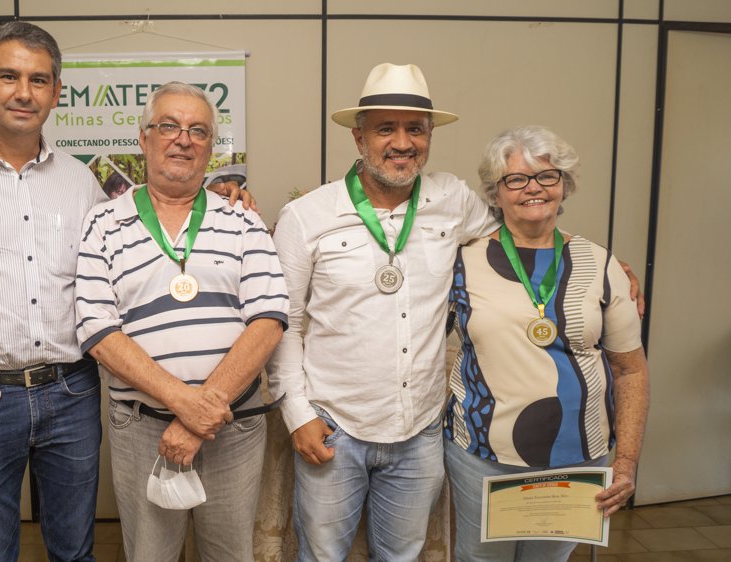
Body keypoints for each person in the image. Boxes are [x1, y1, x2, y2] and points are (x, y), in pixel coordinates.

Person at [0, 22, 252, 561]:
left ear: (57, 94)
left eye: (39, 80)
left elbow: (154, 218)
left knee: (74, 550)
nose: (24, 92)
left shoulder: (81, 182)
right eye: (9, 76)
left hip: (70, 395)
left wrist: (222, 192)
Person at [267, 63, 499, 561]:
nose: (402, 142)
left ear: (430, 135)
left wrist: (587, 260)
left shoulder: (453, 201)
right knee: (323, 556)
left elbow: (519, 236)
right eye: (385, 129)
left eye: (415, 128)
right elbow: (286, 323)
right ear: (359, 138)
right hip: (333, 425)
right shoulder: (307, 216)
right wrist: (297, 414)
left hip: (418, 432)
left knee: (402, 557)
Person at [75, 82, 288, 561]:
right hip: (143, 428)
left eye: (198, 130)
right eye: (168, 126)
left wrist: (200, 415)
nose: (183, 139)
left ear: (211, 147)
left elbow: (269, 320)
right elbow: (98, 332)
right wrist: (186, 405)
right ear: (143, 138)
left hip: (231, 428)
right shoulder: (102, 223)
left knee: (230, 555)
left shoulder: (243, 220)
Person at [443, 125, 649, 561]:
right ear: (495, 194)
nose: (532, 188)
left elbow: (630, 370)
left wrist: (626, 463)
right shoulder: (460, 261)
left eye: (547, 176)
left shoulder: (601, 263)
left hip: (579, 459)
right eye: (515, 179)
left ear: (564, 186)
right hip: (482, 456)